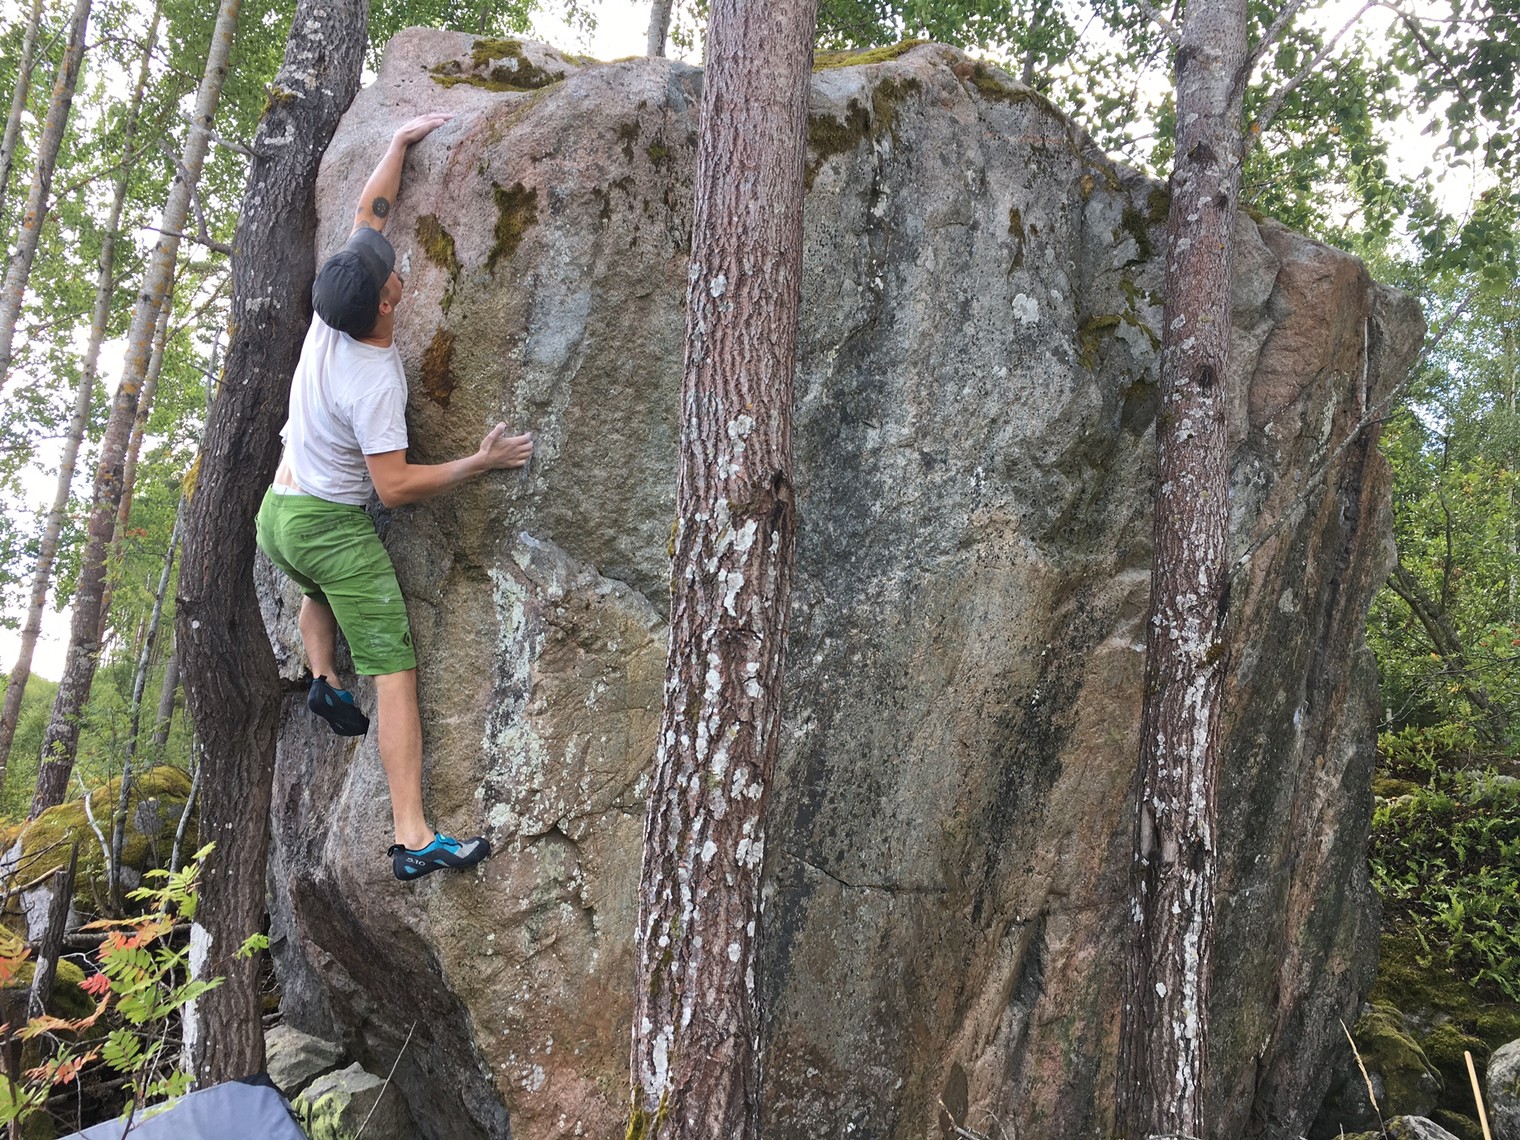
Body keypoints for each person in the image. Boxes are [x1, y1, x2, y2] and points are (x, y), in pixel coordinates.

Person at [255, 112, 533, 881]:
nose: (395, 260)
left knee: (314, 586)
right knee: (394, 669)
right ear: (385, 303)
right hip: (329, 527)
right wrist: (478, 462)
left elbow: (367, 213)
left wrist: (398, 144)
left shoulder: (331, 311)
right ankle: (415, 838)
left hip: (279, 516)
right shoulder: (374, 381)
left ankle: (321, 677)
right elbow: (395, 486)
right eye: (391, 271)